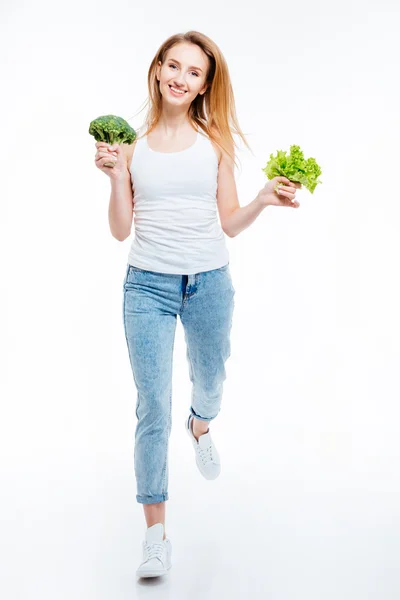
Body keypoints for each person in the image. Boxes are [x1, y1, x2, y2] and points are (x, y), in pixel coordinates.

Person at [94, 30, 301, 579]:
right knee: (151, 408)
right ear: (158, 68)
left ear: (205, 85)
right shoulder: (131, 147)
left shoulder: (214, 143)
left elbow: (229, 222)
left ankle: (202, 425)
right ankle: (156, 535)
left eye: (194, 73)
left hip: (209, 282)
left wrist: (261, 198)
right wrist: (117, 177)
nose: (180, 79)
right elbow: (120, 231)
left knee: (210, 384)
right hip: (146, 288)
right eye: (174, 66)